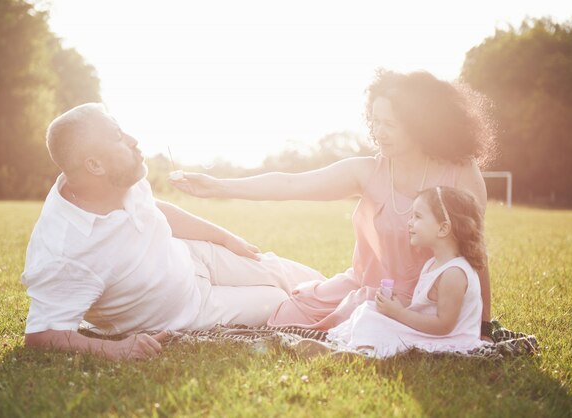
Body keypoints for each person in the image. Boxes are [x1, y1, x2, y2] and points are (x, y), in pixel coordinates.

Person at [170, 69, 496, 339]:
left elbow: (474, 254)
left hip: (428, 306)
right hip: (369, 292)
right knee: (288, 315)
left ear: (418, 124)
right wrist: (218, 186)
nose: (379, 133)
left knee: (369, 331)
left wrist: (483, 327)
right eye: (375, 122)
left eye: (391, 124)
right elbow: (290, 183)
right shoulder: (367, 170)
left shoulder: (460, 171)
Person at [21, 103, 325, 360]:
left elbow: (154, 209)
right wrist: (119, 350)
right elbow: (42, 335)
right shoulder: (65, 251)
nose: (133, 140)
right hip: (192, 309)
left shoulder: (118, 177)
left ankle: (365, 304)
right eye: (117, 137)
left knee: (299, 278)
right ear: (94, 165)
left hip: (197, 258)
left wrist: (225, 238)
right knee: (277, 302)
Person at [324, 186, 488, 358]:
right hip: (432, 333)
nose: (409, 223)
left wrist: (398, 313)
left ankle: (358, 351)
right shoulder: (433, 264)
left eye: (417, 217)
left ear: (443, 228)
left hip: (451, 341)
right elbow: (425, 308)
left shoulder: (454, 273)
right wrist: (396, 303)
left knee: (370, 320)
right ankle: (346, 346)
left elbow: (443, 325)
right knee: (368, 310)